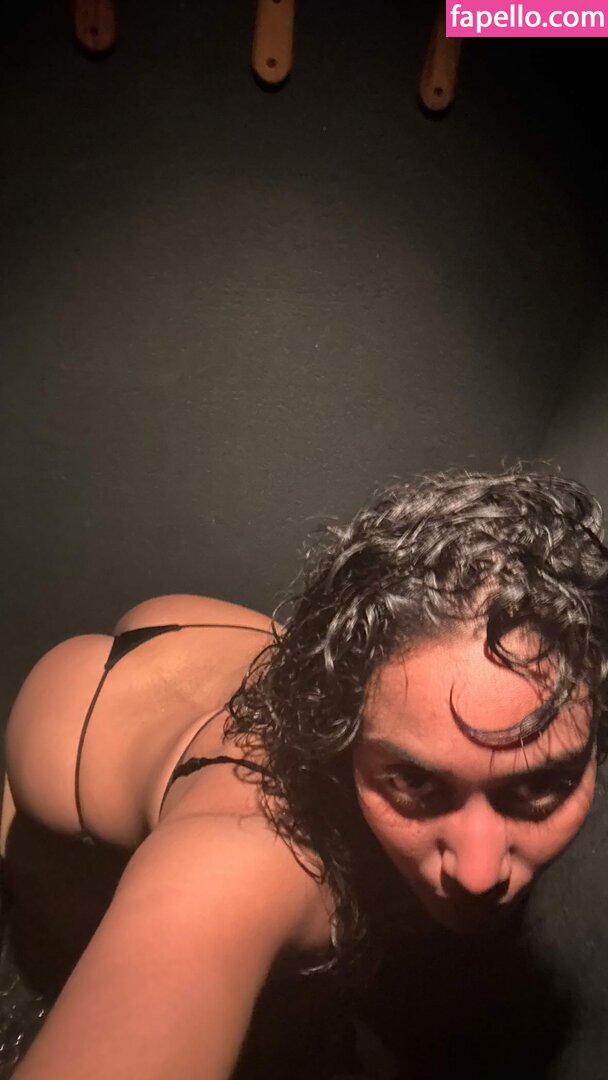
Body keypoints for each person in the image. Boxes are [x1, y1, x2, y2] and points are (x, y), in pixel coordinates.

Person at [3, 465, 608, 1079]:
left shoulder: (375, 689)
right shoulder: (248, 857)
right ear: (340, 743)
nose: (478, 875)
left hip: (204, 637)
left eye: (539, 784)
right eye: (415, 782)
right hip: (69, 735)